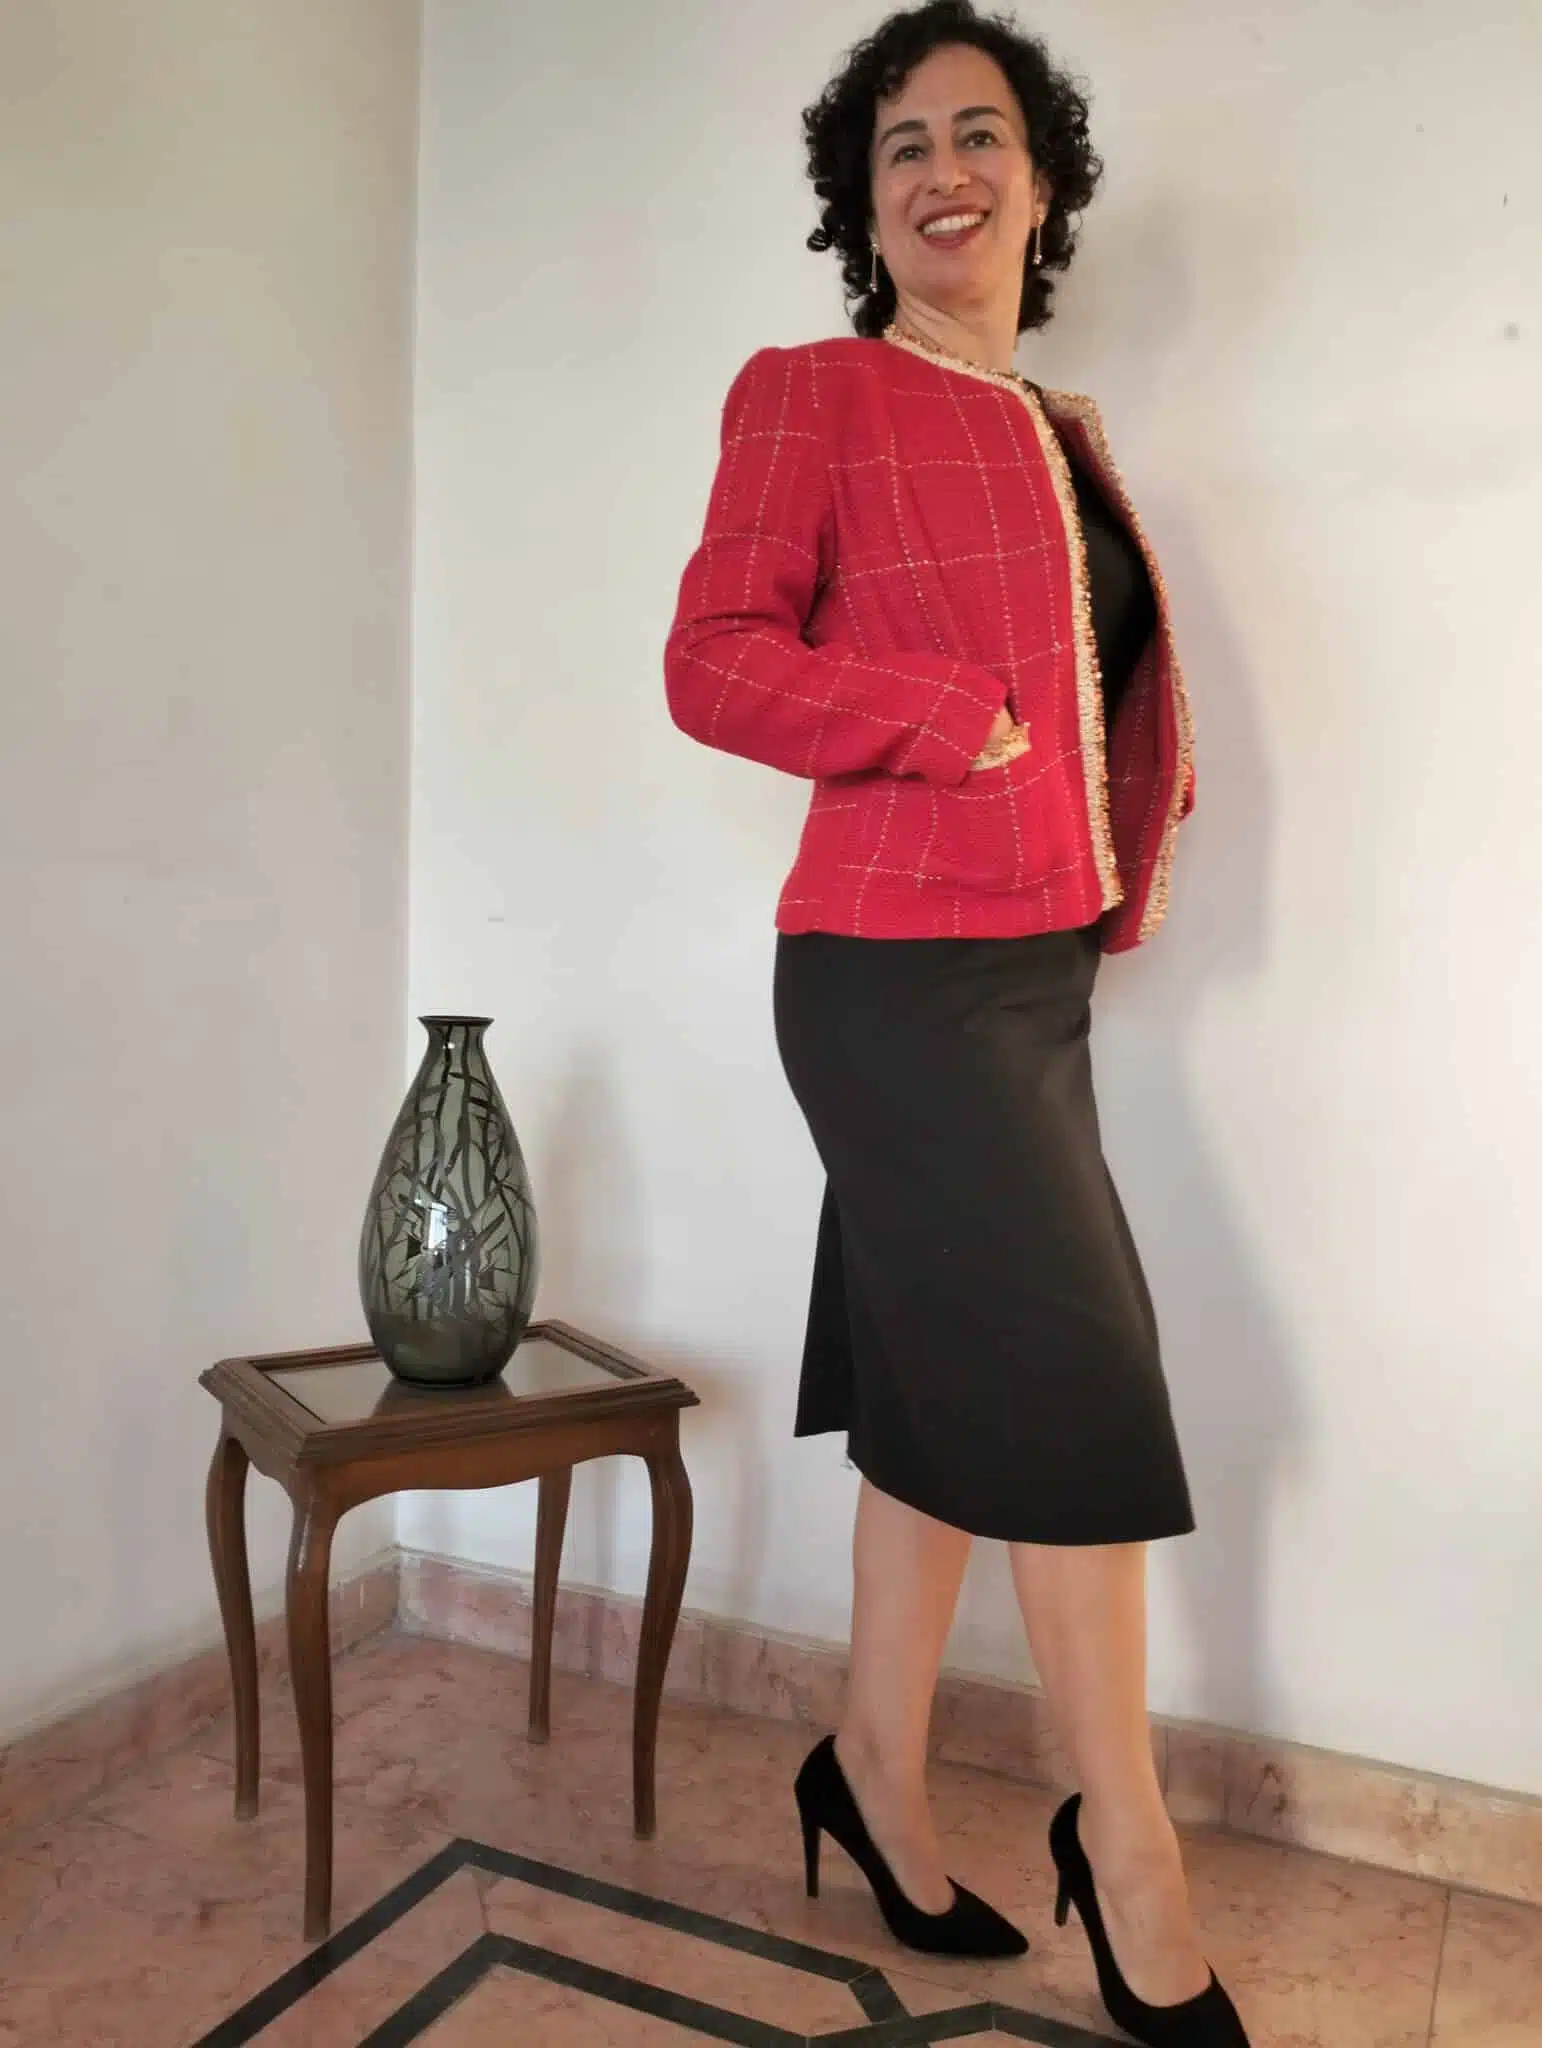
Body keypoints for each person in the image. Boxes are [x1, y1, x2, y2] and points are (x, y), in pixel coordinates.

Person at [665, 5, 1247, 2042]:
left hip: (1028, 975)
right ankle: (1130, 1850)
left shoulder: (1058, 433)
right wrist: (946, 716)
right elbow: (712, 659)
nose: (943, 170)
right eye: (901, 143)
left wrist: (1112, 854)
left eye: (979, 133)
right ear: (865, 201)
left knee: (932, 1402)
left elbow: (1109, 705)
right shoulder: (815, 392)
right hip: (893, 975)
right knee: (1084, 1390)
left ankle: (873, 1773)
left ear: (1042, 184)